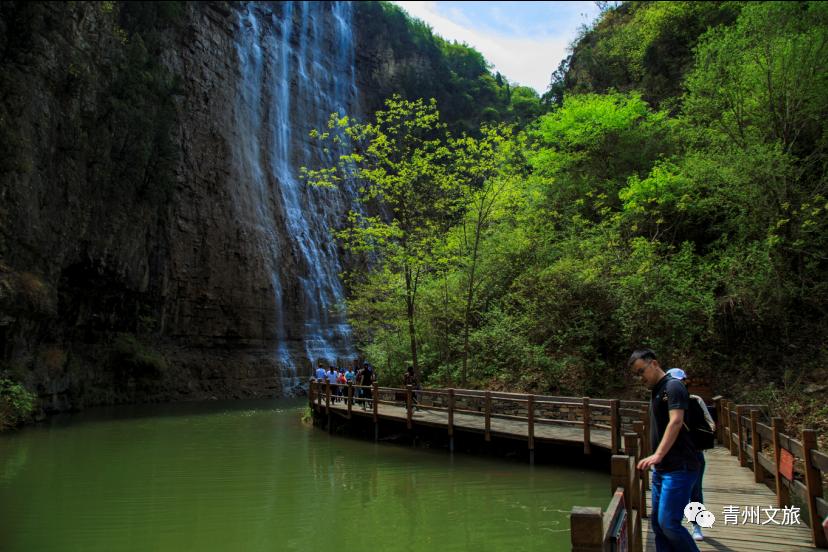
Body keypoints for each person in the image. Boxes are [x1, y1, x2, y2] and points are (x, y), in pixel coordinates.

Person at [629, 349, 700, 552]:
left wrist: (658, 454)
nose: (640, 377)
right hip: (663, 469)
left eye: (641, 371)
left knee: (669, 524)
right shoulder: (657, 390)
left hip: (680, 466)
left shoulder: (673, 387)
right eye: (637, 374)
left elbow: (676, 421)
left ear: (654, 363)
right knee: (659, 526)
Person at [666, 368, 715, 543]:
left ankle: (696, 525)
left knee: (695, 491)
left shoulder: (696, 401)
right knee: (672, 493)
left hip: (694, 454)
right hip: (671, 456)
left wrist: (695, 436)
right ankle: (674, 529)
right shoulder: (663, 402)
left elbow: (711, 425)